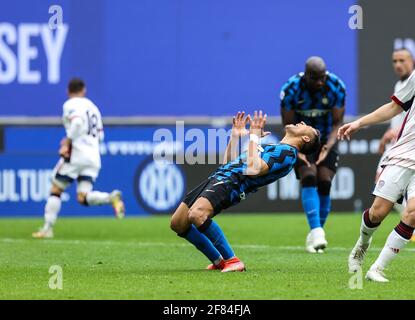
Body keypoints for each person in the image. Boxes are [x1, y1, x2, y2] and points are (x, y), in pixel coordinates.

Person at [170, 111, 321, 272]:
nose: (303, 122)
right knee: (178, 223)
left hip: (233, 183)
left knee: (197, 214)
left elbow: (253, 168)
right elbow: (228, 164)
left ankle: (233, 260)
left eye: (307, 126)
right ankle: (218, 261)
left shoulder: (288, 153)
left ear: (306, 138)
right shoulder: (275, 147)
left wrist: (254, 137)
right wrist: (235, 137)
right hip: (220, 177)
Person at [338, 69, 415, 282]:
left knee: (412, 214)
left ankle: (377, 269)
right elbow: (393, 108)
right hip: (403, 155)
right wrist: (359, 123)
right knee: (377, 214)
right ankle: (361, 246)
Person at [32, 78, 125, 239]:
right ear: (84, 90)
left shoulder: (70, 104)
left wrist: (68, 141)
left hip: (77, 153)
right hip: (93, 156)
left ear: (68, 91)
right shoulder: (93, 107)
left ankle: (47, 229)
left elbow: (77, 123)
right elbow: (101, 135)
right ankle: (111, 198)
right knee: (83, 197)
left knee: (56, 189)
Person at [280, 56, 346, 253]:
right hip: (302, 140)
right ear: (306, 76)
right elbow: (288, 126)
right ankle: (317, 231)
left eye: (323, 78)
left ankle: (316, 233)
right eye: (315, 78)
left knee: (325, 181)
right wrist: (296, 150)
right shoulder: (291, 88)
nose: (320, 82)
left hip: (327, 138)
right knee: (309, 176)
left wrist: (329, 145)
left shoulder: (336, 86)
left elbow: (337, 124)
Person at [376, 48, 414, 214]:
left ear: (412, 61)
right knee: (381, 185)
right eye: (395, 61)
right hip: (397, 142)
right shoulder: (400, 84)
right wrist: (388, 135)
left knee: (383, 184)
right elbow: (396, 112)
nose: (398, 65)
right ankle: (409, 221)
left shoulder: (412, 81)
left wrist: (396, 131)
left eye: (402, 60)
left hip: (407, 143)